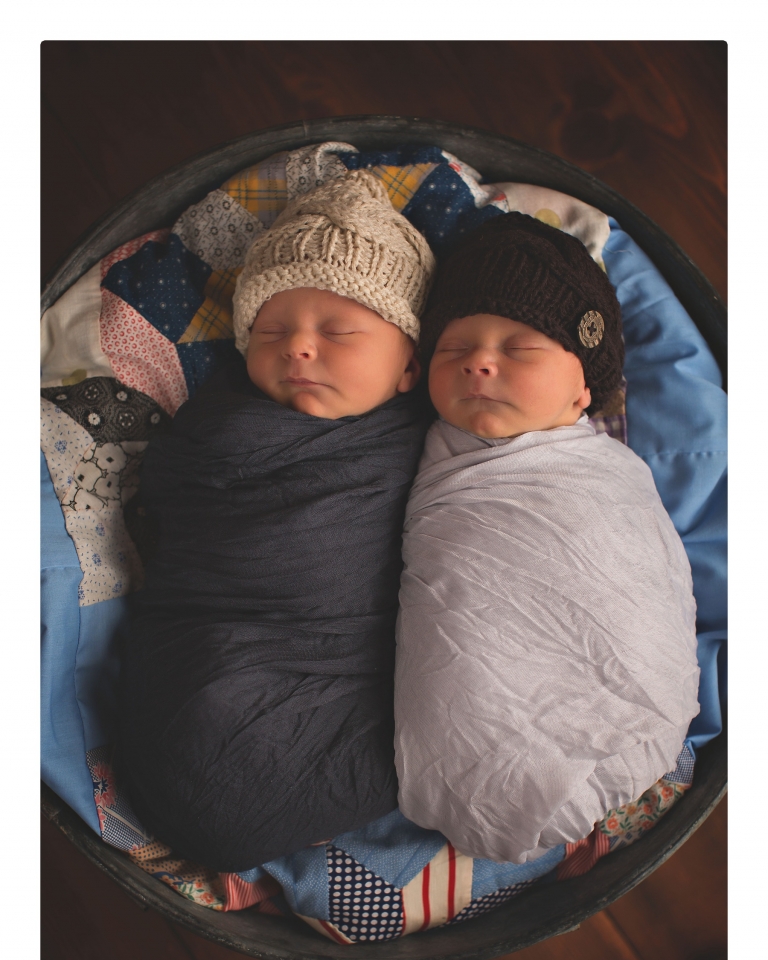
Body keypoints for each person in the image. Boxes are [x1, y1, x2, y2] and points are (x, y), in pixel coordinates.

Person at [116, 170, 435, 872]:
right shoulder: (214, 431)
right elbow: (169, 506)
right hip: (213, 664)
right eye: (270, 330)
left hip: (341, 673)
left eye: (339, 330)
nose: (297, 346)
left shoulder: (434, 444)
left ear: (411, 364)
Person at [394, 211, 701, 864]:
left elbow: (640, 574)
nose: (479, 362)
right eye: (454, 349)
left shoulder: (602, 473)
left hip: (630, 713)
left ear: (582, 392)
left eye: (520, 348)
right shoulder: (430, 457)